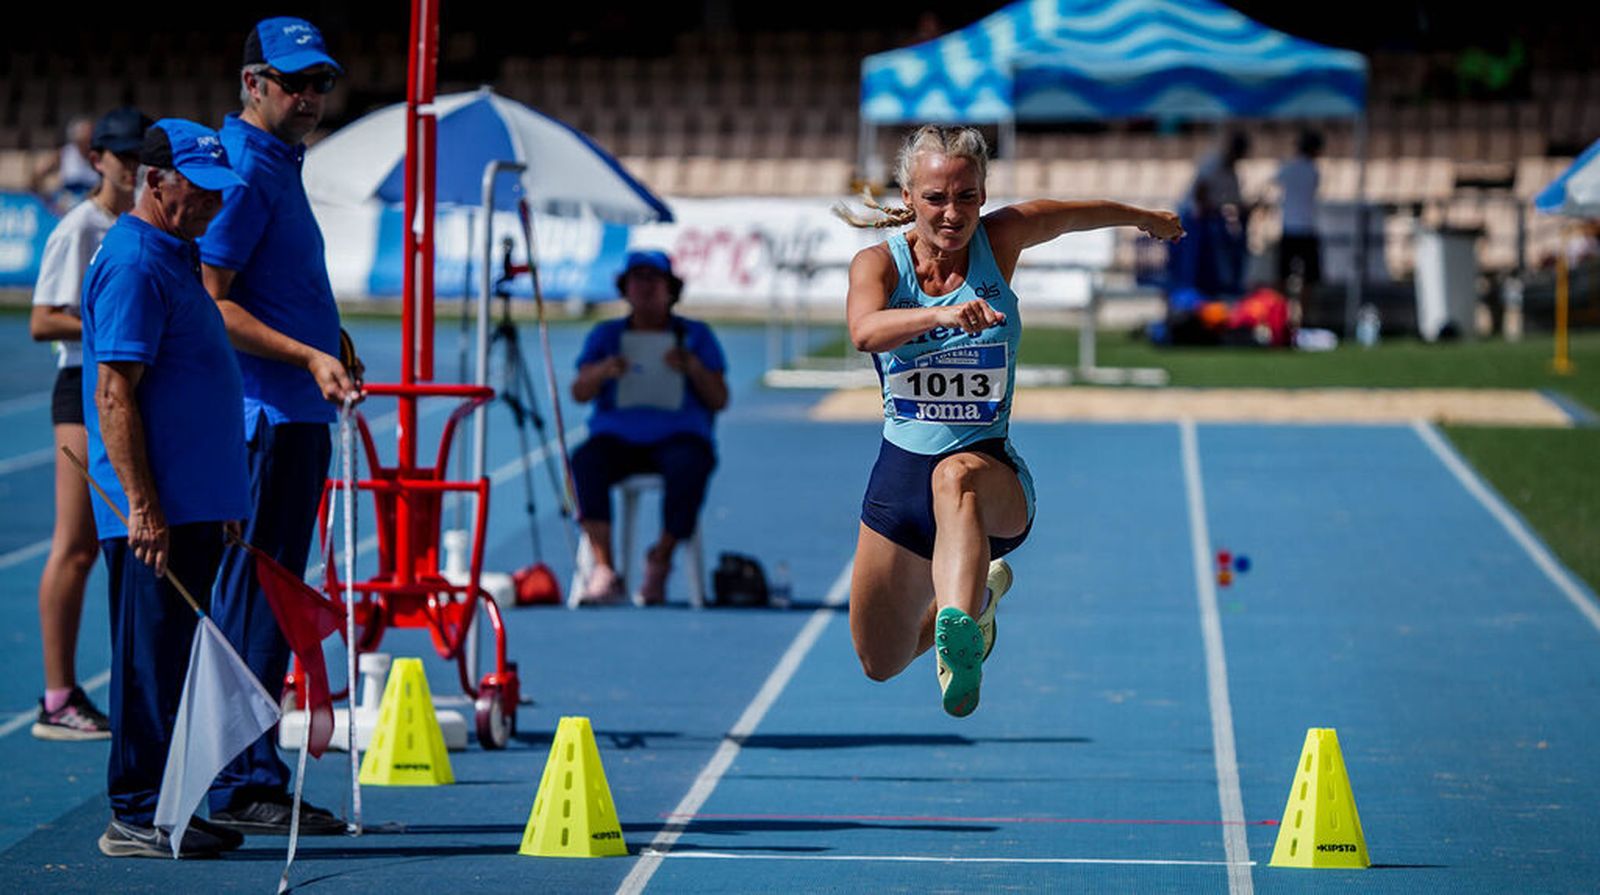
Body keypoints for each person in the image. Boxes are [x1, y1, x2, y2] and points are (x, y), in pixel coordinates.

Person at [834, 125, 1182, 717]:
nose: (952, 214)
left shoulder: (1000, 243)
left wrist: (1142, 216)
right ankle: (979, 610)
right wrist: (940, 317)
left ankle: (958, 630)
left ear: (984, 195)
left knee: (954, 477)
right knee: (879, 661)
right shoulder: (879, 265)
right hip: (899, 482)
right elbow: (864, 330)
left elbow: (1072, 214)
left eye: (967, 197)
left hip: (988, 473)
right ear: (909, 195)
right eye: (937, 198)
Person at [198, 16, 357, 836]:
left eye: (321, 81)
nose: (311, 96)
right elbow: (212, 297)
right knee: (257, 599)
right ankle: (240, 774)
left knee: (271, 594)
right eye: (295, 81)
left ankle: (247, 765)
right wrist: (306, 354)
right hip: (268, 417)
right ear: (253, 82)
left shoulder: (276, 161)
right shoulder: (247, 170)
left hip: (291, 409)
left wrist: (329, 340)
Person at [82, 118, 251, 858]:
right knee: (151, 662)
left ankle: (170, 803)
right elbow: (115, 393)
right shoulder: (135, 262)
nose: (214, 206)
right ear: (156, 181)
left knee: (179, 662)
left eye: (221, 192)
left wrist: (226, 498)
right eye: (201, 190)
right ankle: (137, 809)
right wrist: (145, 505)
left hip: (194, 503)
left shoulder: (174, 253)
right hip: (161, 512)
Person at [27, 105, 152, 743]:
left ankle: (138, 689)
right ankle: (56, 696)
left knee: (127, 544)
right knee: (76, 545)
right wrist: (117, 330)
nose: (133, 168)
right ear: (96, 158)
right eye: (122, 157)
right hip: (82, 388)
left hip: (130, 388)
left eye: (141, 157)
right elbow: (43, 319)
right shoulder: (83, 227)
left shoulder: (146, 225)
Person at [569, 250, 728, 605]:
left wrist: (694, 368)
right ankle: (606, 568)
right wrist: (602, 371)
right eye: (636, 279)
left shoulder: (695, 336)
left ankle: (661, 558)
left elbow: (720, 399)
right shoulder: (606, 335)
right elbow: (579, 392)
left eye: (653, 279)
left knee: (692, 464)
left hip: (678, 437)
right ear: (624, 288)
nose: (644, 287)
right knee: (584, 461)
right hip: (617, 439)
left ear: (670, 288)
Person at [1275, 129, 1324, 311]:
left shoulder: (1289, 168)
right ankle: (1301, 317)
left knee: (1282, 276)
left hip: (1290, 228)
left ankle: (1280, 316)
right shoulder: (1313, 171)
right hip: (1306, 228)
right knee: (1308, 279)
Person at [33, 116, 100, 213]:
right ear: (77, 138)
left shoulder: (101, 156)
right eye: (86, 137)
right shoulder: (65, 154)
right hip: (68, 212)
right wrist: (49, 202)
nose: (89, 141)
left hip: (93, 211)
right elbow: (37, 175)